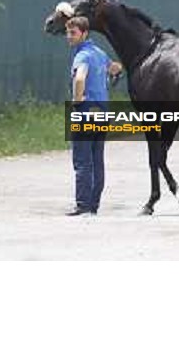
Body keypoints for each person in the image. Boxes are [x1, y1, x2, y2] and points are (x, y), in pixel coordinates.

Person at [65, 16, 122, 216]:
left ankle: (83, 205)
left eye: (73, 33)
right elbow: (116, 67)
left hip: (86, 112)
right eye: (68, 32)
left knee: (82, 160)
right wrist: (115, 74)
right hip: (103, 113)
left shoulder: (81, 56)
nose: (69, 37)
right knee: (97, 159)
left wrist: (77, 99)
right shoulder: (99, 53)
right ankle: (94, 205)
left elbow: (80, 77)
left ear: (84, 33)